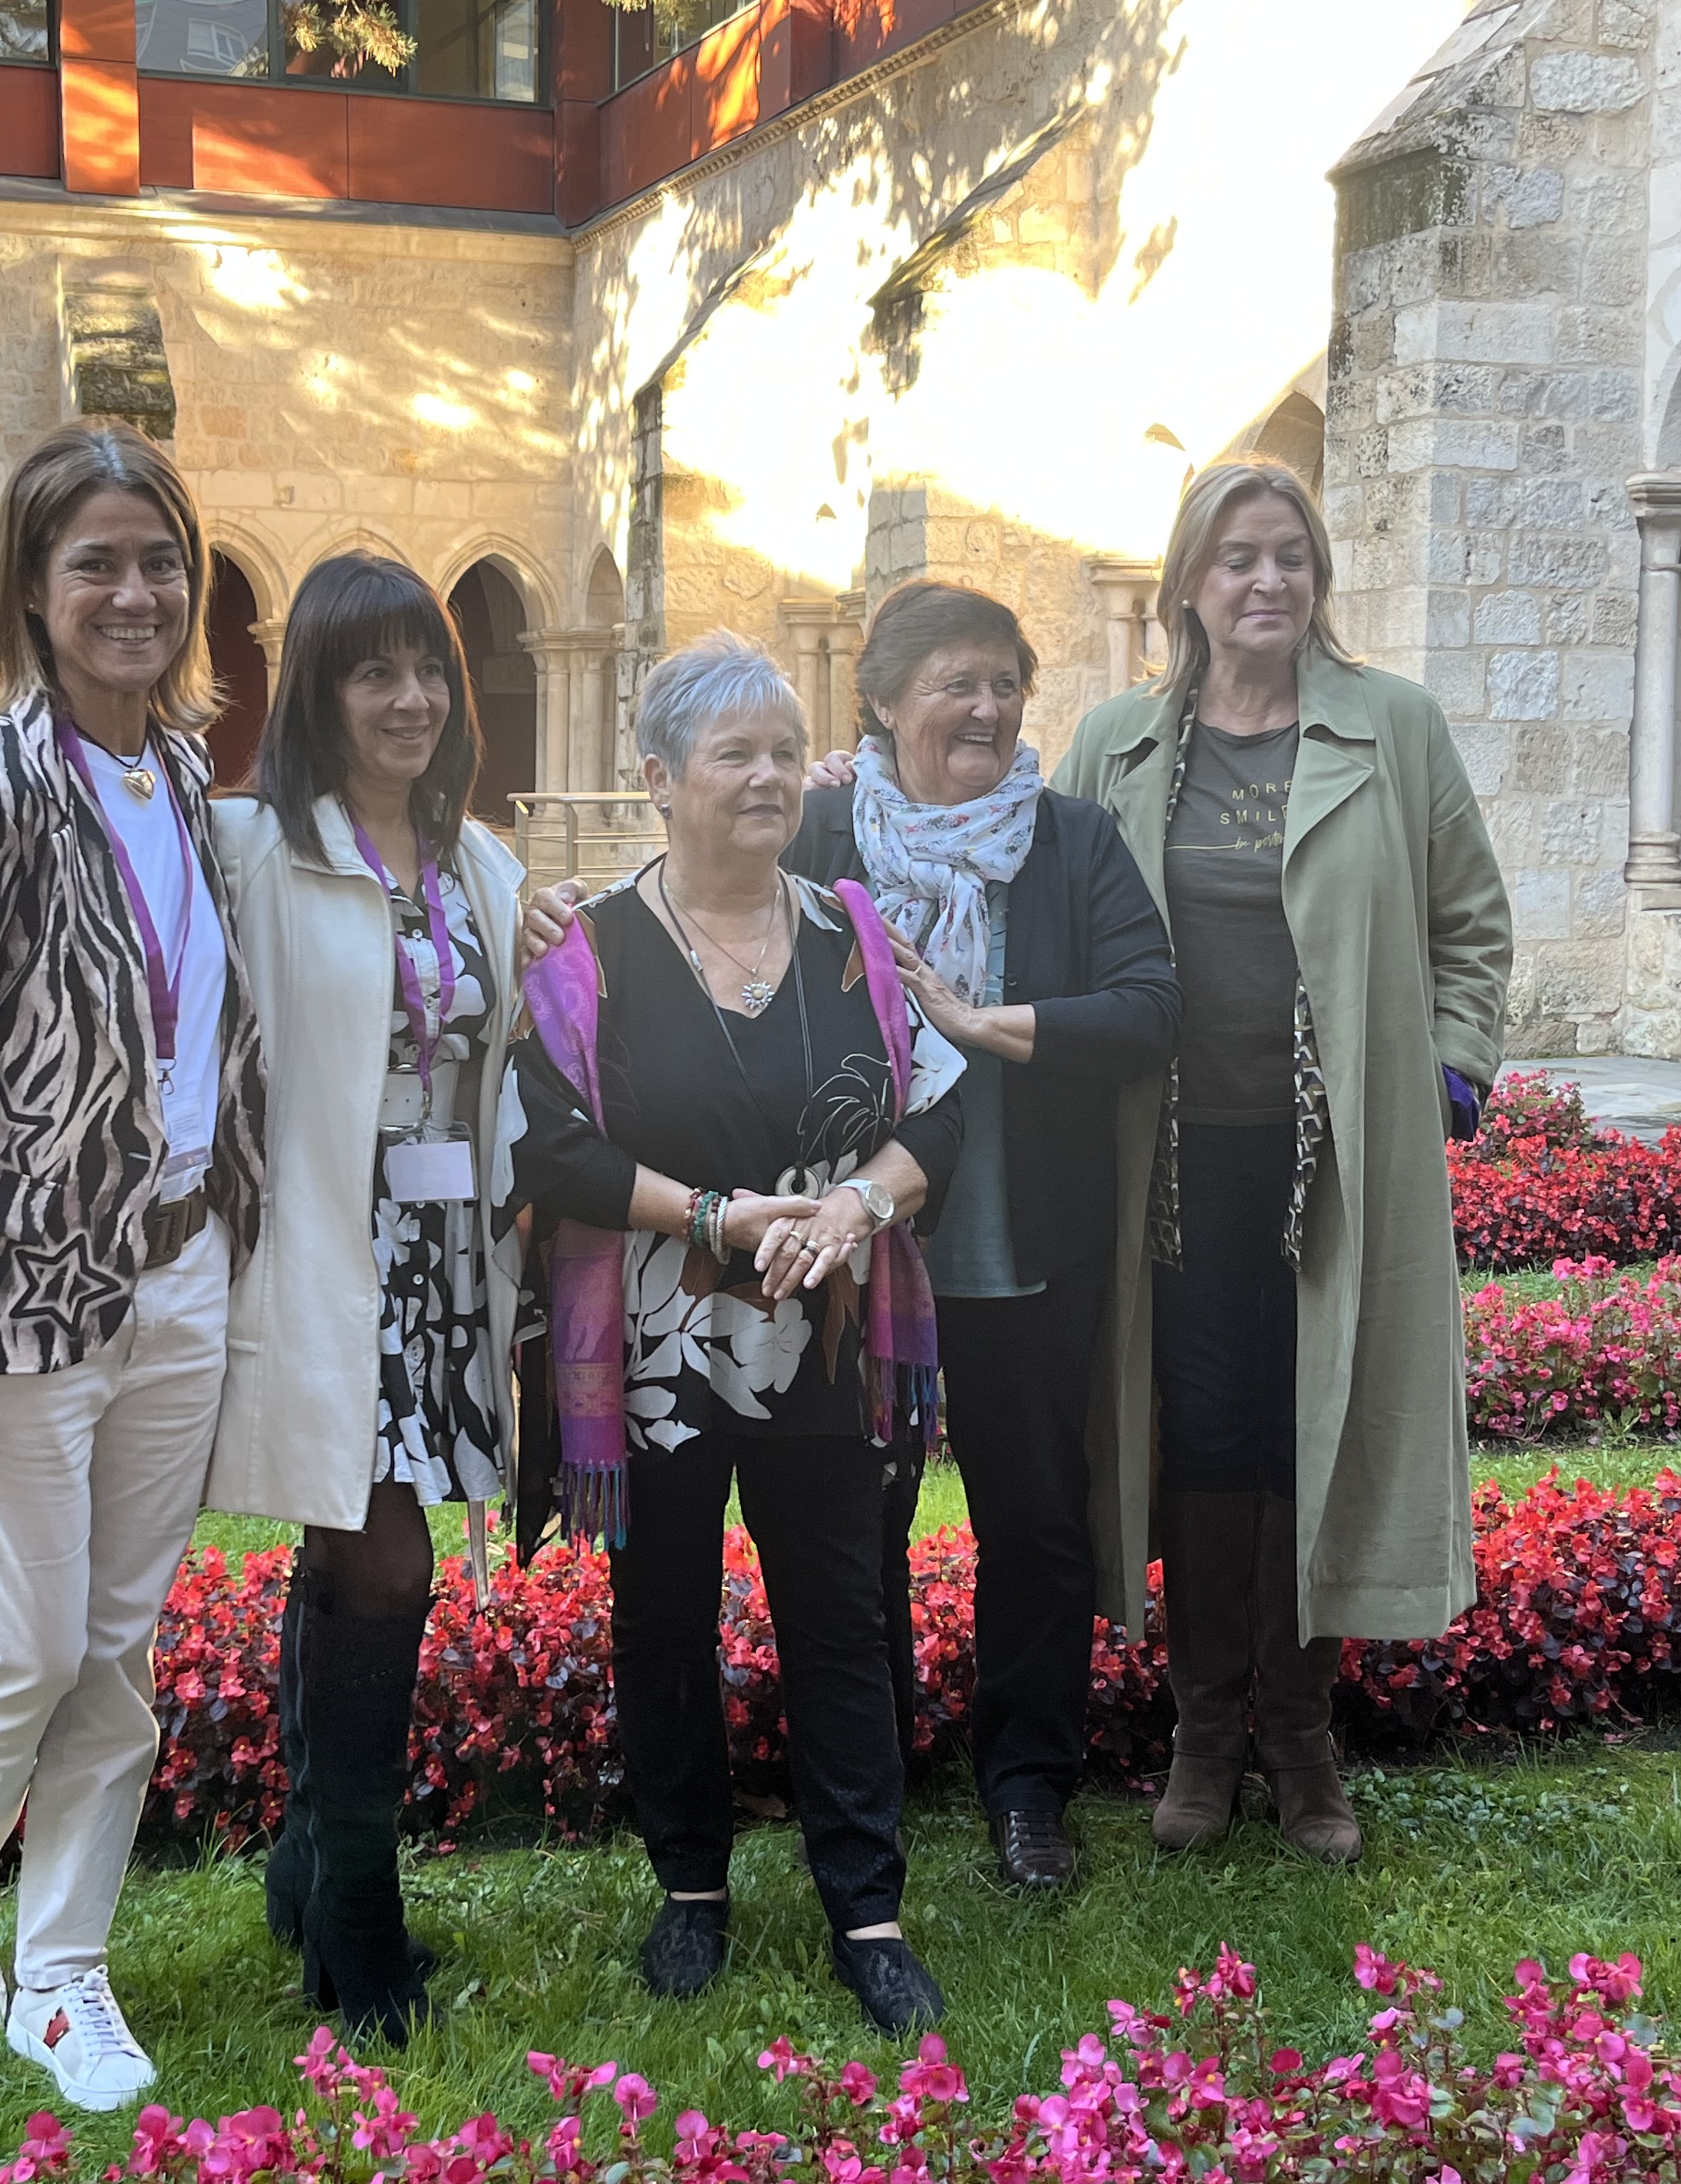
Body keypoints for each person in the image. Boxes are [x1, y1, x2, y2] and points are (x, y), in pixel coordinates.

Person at [0, 422, 263, 2111]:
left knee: (123, 1643)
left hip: (179, 1277)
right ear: (30, 586)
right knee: (21, 1642)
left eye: (159, 560)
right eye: (95, 562)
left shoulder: (191, 790)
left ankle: (66, 1966)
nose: (135, 593)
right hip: (9, 1289)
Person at [1050, 457, 1513, 1864]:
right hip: (1172, 1161)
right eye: (1239, 558)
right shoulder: (1116, 745)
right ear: (1188, 582)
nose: (1268, 582)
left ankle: (1304, 1743)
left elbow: (1470, 923)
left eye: (1291, 557)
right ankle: (1202, 1735)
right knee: (1205, 1440)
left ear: (1318, 578)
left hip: (1343, 1163)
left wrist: (1446, 1071)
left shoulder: (1395, 728)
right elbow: (1035, 904)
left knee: (1317, 1426)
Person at [510, 631, 964, 2037]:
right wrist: (714, 1216)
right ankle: (690, 1887)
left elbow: (939, 1114)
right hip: (657, 1344)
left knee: (837, 1613)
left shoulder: (853, 934)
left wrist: (860, 1202)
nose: (770, 777)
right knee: (662, 1620)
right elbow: (556, 1148)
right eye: (735, 755)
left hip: (821, 1332)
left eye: (786, 750)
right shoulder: (591, 953)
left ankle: (868, 1910)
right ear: (660, 779)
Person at [779, 580, 1180, 1891]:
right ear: (882, 702)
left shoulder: (1068, 841)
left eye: (1005, 680)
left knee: (1036, 1521)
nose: (989, 705)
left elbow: (1147, 1009)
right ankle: (869, 1775)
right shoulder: (816, 826)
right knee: (855, 1521)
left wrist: (985, 1023)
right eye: (956, 680)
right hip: (861, 1241)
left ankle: (1027, 1789)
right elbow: (700, 935)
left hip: (1027, 1241)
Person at [205, 552, 527, 2048]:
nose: (407, 699)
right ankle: (358, 1901)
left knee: (363, 1552)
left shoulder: (484, 864)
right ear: (318, 692)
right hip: (328, 1256)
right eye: (371, 671)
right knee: (385, 1562)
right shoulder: (252, 852)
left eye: (428, 671)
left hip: (448, 1266)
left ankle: (299, 1852)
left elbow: (506, 1059)